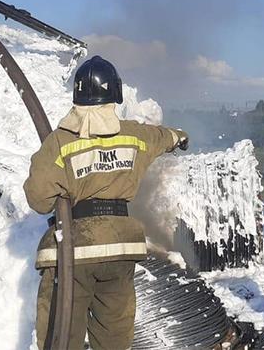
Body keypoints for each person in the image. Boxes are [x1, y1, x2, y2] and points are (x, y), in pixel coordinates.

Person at [24, 56, 188, 350]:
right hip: (120, 250)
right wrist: (180, 137)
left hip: (74, 250)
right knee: (114, 338)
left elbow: (38, 199)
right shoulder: (135, 136)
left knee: (61, 336)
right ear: (115, 94)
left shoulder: (60, 143)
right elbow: (164, 137)